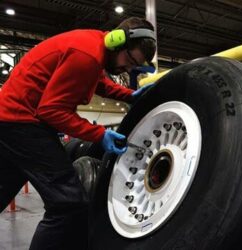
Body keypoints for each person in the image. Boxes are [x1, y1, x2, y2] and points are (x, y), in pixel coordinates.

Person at [0, 17, 156, 250]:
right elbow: (51, 110)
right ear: (118, 41)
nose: (128, 69)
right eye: (130, 61)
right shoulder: (87, 55)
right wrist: (98, 134)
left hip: (9, 121)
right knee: (68, 204)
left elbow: (98, 82)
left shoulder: (94, 46)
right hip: (24, 123)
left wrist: (128, 95)